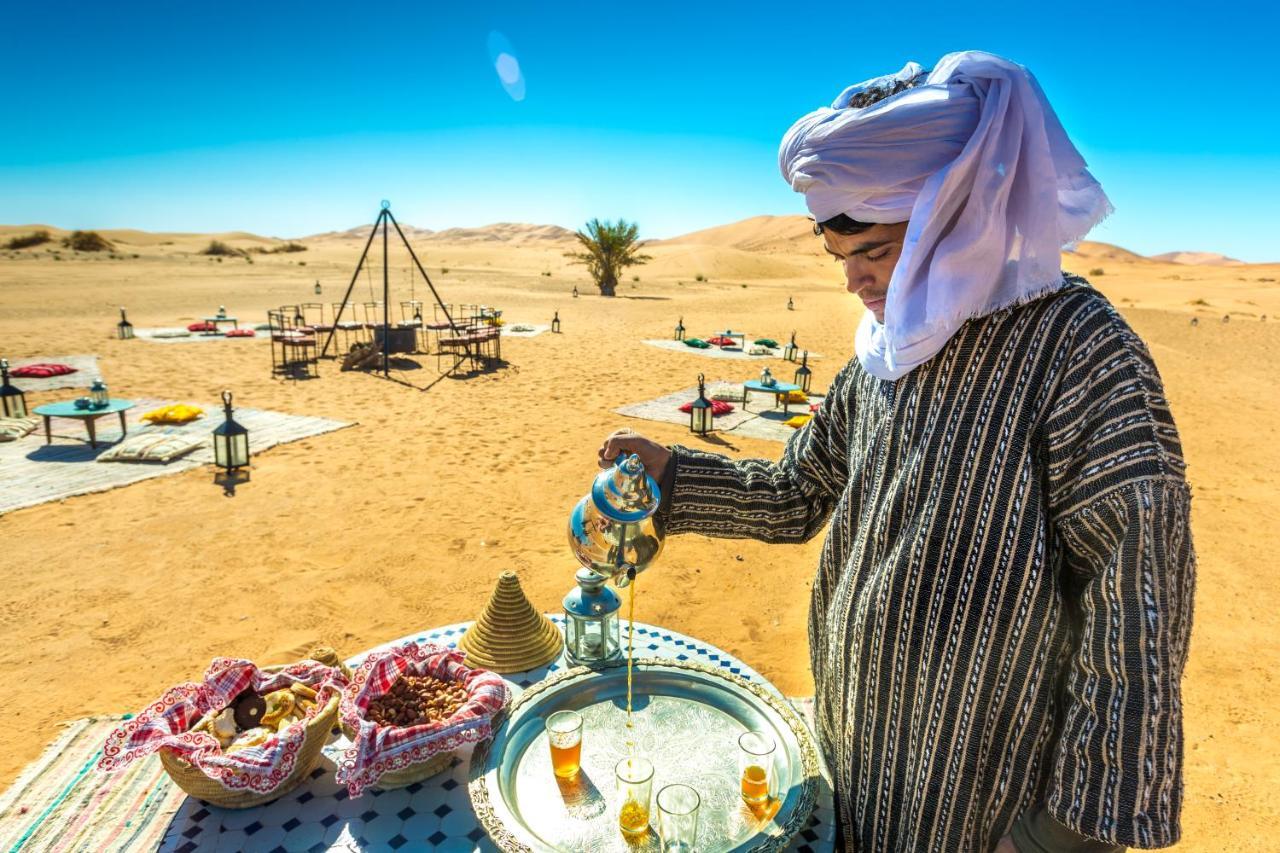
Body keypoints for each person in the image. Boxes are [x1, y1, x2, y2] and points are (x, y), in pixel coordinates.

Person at [600, 52, 1195, 852]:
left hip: (983, 801)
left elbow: (1138, 602)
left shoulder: (1077, 348)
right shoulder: (885, 353)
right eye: (838, 257)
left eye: (874, 253)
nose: (853, 281)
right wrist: (673, 476)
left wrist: (1066, 832)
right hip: (857, 750)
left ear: (952, 218)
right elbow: (795, 491)